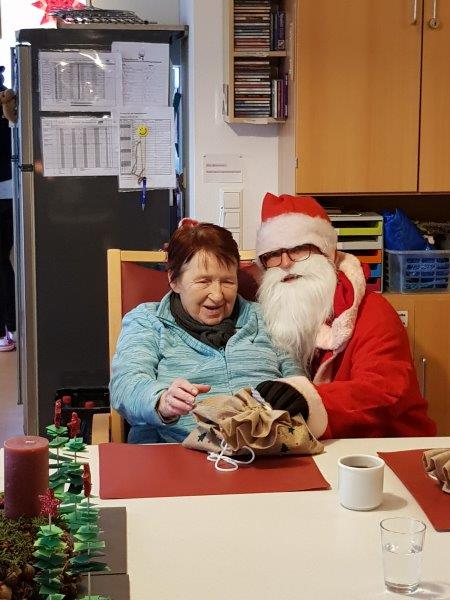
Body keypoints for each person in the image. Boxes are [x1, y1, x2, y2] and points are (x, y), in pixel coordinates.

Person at [110, 221, 321, 444]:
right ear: (174, 280)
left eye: (228, 281)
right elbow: (126, 385)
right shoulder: (147, 320)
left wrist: (293, 394)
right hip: (175, 449)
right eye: (203, 281)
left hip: (265, 450)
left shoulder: (266, 317)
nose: (218, 295)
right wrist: (162, 401)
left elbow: (297, 381)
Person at [255, 192, 437, 438]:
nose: (285, 263)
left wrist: (307, 399)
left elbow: (382, 392)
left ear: (328, 253)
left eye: (298, 248)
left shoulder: (373, 312)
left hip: (386, 446)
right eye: (273, 254)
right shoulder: (264, 313)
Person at [0, 65, 16, 352]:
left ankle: (7, 328)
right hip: (9, 191)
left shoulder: (10, 104)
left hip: (6, 191)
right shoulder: (9, 101)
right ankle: (9, 327)